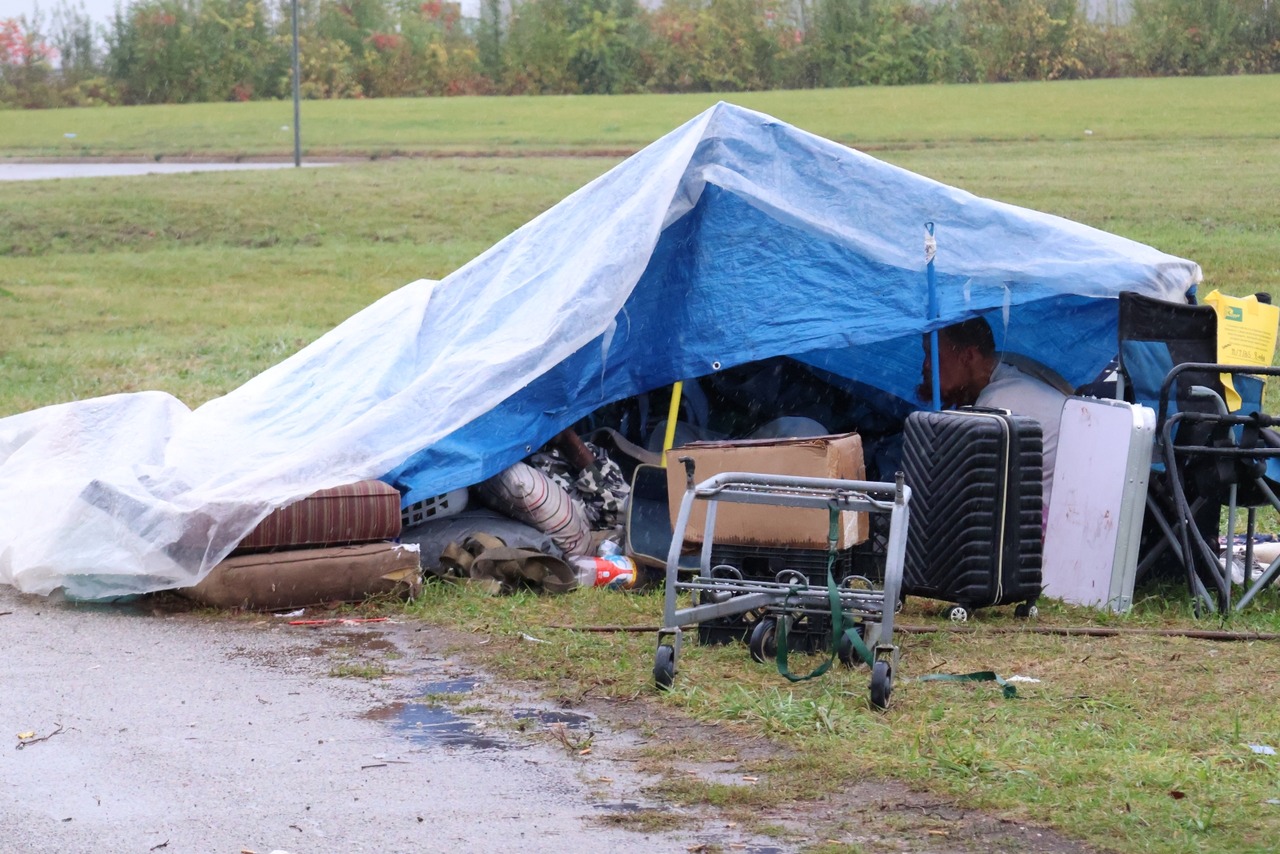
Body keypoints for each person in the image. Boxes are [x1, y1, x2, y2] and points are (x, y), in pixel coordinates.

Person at [920, 317, 1067, 514]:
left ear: (969, 356)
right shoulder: (1013, 371)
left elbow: (964, 492)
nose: (927, 365)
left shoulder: (995, 407)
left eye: (934, 355)